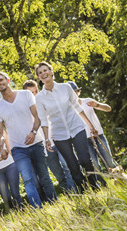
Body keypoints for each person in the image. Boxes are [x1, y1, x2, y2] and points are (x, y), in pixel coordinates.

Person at [34, 62, 106, 193]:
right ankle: (84, 191)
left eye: (45, 70)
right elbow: (43, 120)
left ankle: (95, 187)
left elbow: (77, 106)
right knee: (72, 166)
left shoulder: (65, 87)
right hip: (59, 134)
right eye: (40, 73)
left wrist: (90, 125)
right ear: (38, 77)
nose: (43, 73)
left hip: (76, 127)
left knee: (85, 160)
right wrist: (47, 139)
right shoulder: (39, 97)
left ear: (51, 71)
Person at [0, 72, 56, 208]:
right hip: (18, 149)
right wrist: (1, 148)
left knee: (44, 176)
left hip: (36, 142)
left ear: (7, 80)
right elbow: (0, 133)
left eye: (1, 80)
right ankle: (37, 208)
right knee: (28, 180)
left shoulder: (26, 95)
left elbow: (37, 116)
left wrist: (33, 132)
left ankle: (54, 204)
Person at [22, 80, 77, 194]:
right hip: (46, 147)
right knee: (58, 174)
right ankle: (71, 195)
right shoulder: (26, 112)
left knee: (68, 167)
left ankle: (78, 192)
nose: (34, 94)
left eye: (35, 91)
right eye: (30, 93)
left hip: (59, 138)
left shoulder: (46, 100)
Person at [69, 81, 118, 171]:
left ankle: (120, 180)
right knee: (95, 166)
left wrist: (97, 105)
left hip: (98, 135)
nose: (74, 94)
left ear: (78, 92)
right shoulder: (69, 109)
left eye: (75, 91)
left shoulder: (87, 101)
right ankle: (104, 184)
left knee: (109, 162)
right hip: (84, 140)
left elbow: (108, 108)